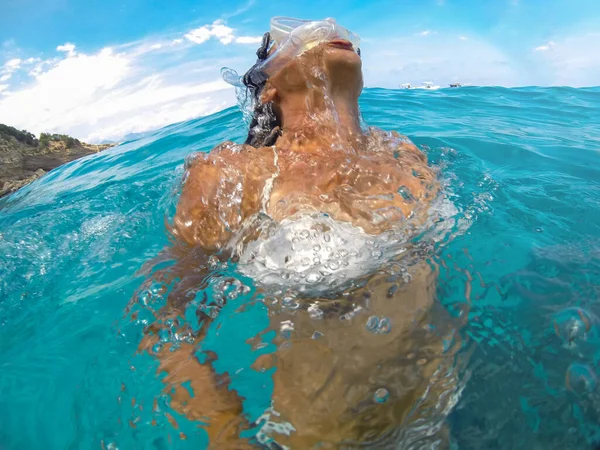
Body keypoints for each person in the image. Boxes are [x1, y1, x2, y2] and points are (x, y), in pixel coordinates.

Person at [136, 17, 465, 449]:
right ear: (269, 86)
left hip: (441, 411)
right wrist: (227, 432)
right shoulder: (234, 173)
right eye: (289, 37)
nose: (325, 28)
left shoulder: (405, 154)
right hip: (326, 433)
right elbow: (166, 330)